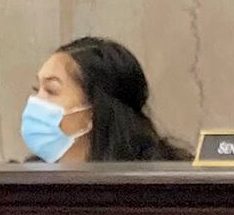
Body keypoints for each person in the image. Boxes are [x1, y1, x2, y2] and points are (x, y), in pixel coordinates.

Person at [21, 37, 190, 164]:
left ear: (94, 107)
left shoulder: (165, 184)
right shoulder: (26, 185)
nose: (36, 101)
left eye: (51, 91)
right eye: (37, 90)